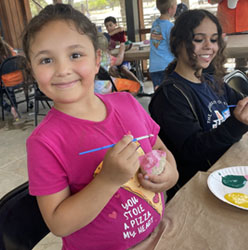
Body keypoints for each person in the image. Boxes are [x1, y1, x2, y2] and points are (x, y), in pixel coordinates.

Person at [23, 4, 178, 250]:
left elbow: (160, 149)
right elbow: (58, 223)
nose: (63, 70)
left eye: (75, 55)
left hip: (158, 237)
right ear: (32, 71)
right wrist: (108, 180)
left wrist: (172, 174)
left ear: (97, 61)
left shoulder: (128, 103)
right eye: (46, 60)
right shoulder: (44, 142)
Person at [149, 9, 248, 199]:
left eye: (213, 39)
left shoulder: (213, 83)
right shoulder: (170, 96)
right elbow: (193, 151)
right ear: (178, 42)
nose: (209, 46)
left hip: (227, 175)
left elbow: (242, 101)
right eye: (199, 39)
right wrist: (237, 124)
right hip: (197, 191)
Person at [208, 0, 248, 74]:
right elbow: (211, 1)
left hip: (246, 23)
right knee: (219, 53)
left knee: (242, 59)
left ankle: (241, 78)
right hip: (225, 23)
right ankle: (217, 78)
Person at [104, 16, 141, 85]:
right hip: (114, 59)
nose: (108, 28)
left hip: (123, 59)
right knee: (112, 70)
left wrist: (107, 36)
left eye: (110, 25)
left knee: (124, 69)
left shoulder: (119, 31)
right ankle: (123, 85)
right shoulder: (106, 38)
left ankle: (138, 84)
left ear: (115, 24)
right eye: (107, 26)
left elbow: (120, 28)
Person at [149, 0, 177, 90]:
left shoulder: (155, 24)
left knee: (159, 95)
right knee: (170, 94)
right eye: (176, 6)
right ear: (170, 10)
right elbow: (173, 47)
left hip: (154, 67)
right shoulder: (170, 27)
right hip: (166, 66)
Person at [0, 37, 23, 121]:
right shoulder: (10, 49)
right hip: (20, 79)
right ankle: (14, 106)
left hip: (7, 83)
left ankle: (10, 108)